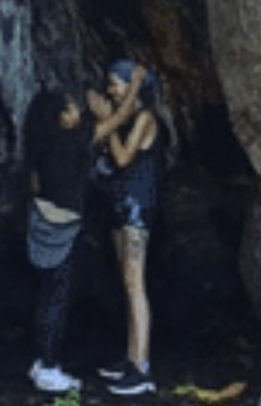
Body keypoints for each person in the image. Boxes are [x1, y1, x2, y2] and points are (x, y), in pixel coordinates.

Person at [23, 74, 143, 393]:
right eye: (73, 108)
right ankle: (49, 369)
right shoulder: (75, 141)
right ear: (61, 117)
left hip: (39, 225)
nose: (78, 112)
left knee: (46, 296)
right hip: (62, 229)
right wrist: (137, 83)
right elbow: (119, 117)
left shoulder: (42, 144)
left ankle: (41, 360)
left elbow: (35, 186)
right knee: (58, 301)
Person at [89, 60, 164, 396]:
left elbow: (122, 158)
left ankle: (142, 368)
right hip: (121, 208)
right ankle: (131, 357)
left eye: (115, 84)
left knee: (135, 287)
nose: (110, 90)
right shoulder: (127, 118)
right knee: (126, 286)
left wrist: (107, 120)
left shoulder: (146, 118)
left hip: (137, 210)